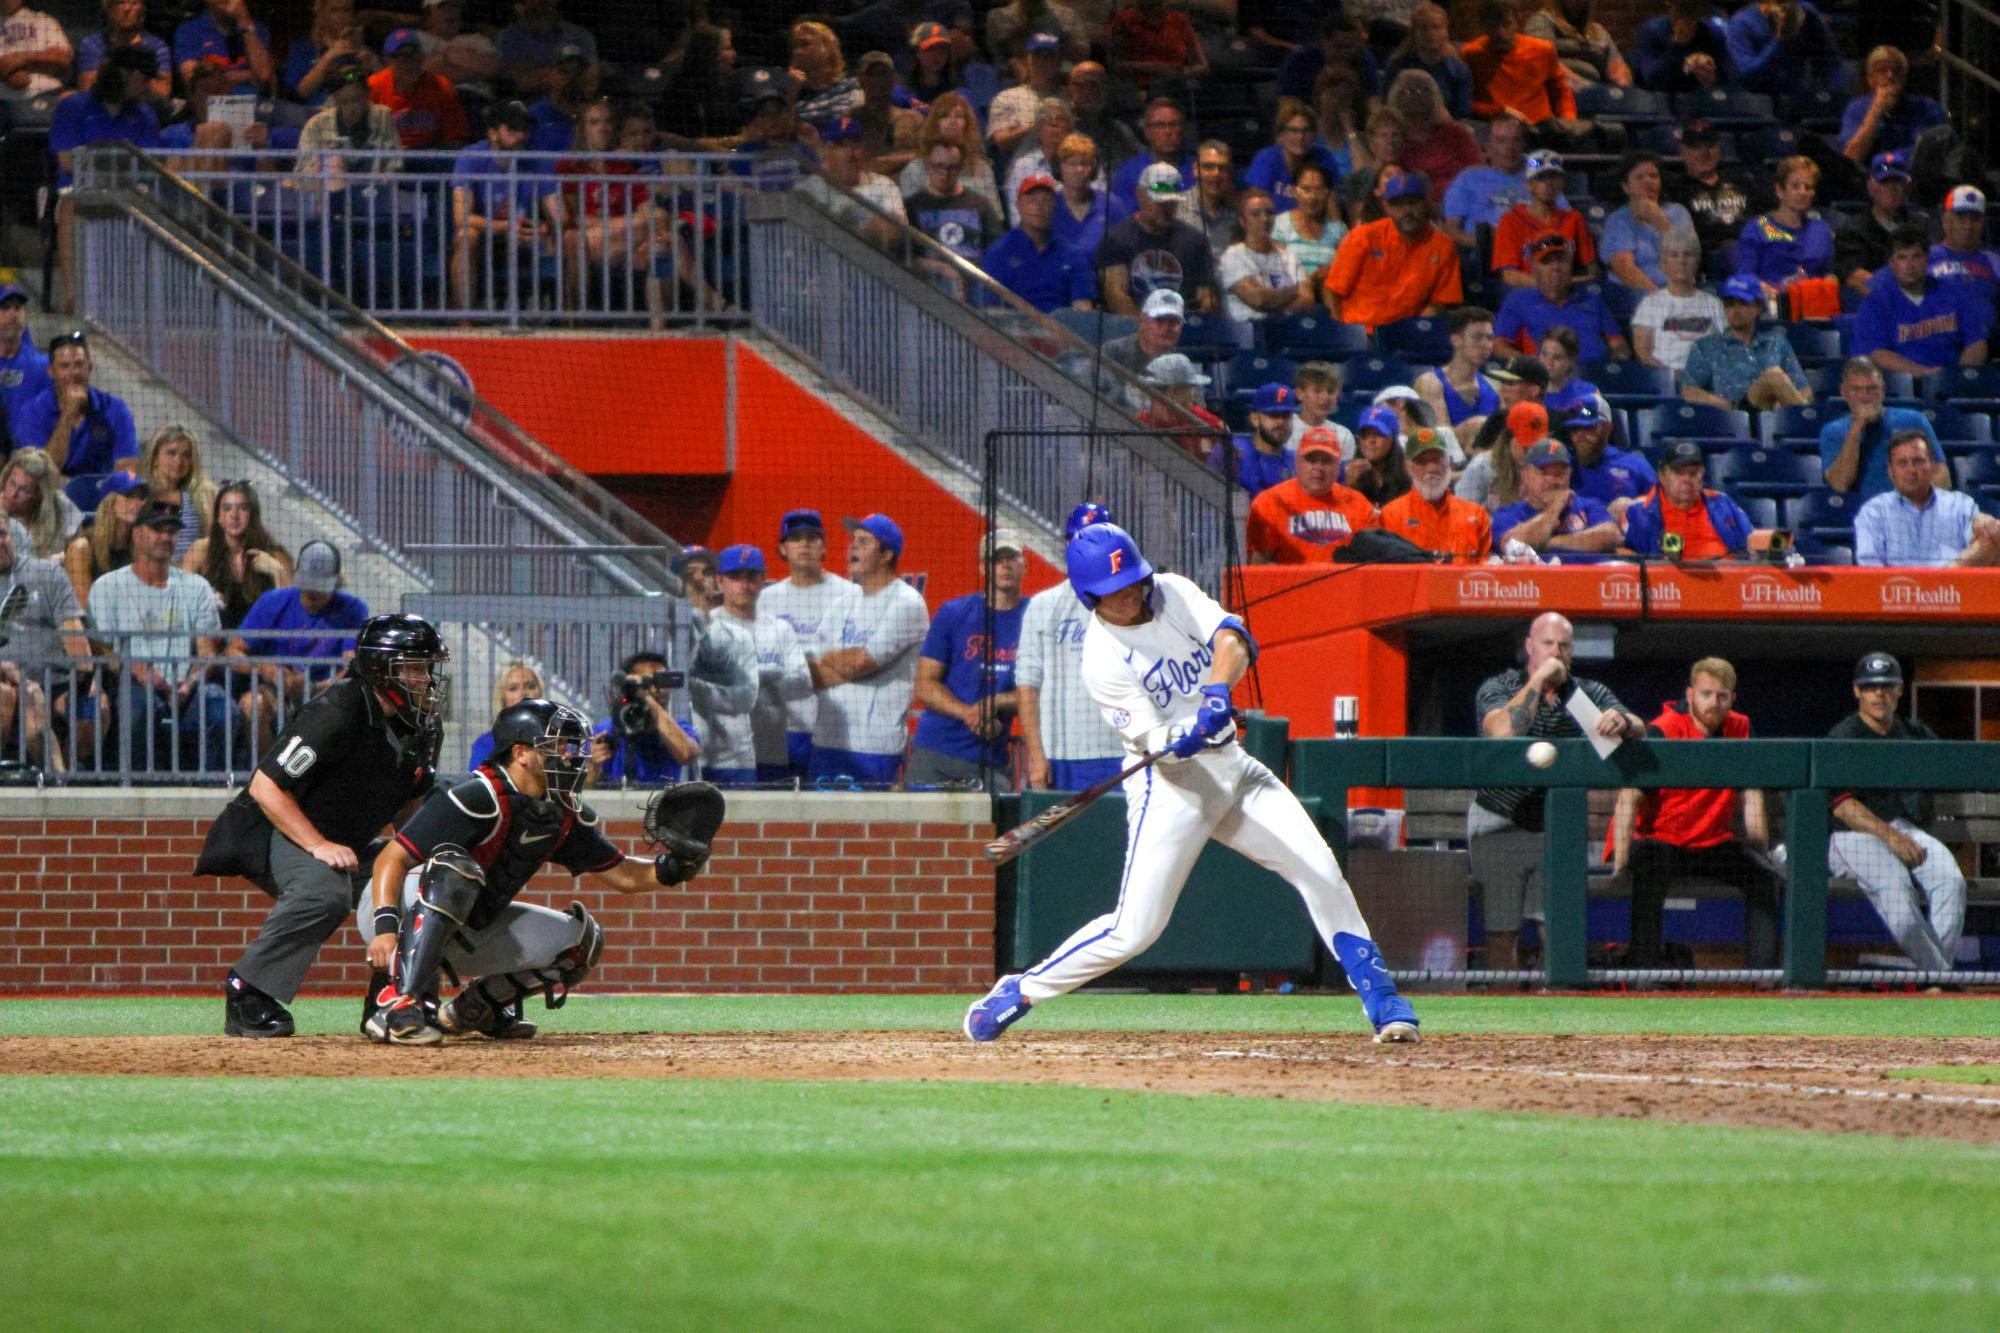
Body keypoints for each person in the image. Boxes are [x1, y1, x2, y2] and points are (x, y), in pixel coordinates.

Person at [964, 522, 1421, 1044]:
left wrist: (1214, 691)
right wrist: (1184, 731)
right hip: (1172, 788)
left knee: (1320, 872)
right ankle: (1019, 990)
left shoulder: (1173, 592)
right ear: (1091, 597)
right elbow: (1155, 742)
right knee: (1134, 931)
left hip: (1236, 770)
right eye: (1116, 592)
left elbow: (1233, 638)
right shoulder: (1101, 656)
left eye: (1135, 581)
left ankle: (1382, 998)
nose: (1132, 594)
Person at [360, 701, 719, 1045]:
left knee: (582, 941)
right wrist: (386, 931)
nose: (570, 756)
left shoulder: (557, 812)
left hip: (467, 923)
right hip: (396, 908)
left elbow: (624, 876)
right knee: (456, 869)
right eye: (557, 746)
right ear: (521, 754)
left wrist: (675, 868)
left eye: (571, 746)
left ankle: (473, 1010)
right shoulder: (477, 795)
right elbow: (389, 860)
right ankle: (396, 1004)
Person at [200, 613, 447, 1037]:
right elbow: (266, 786)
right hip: (271, 830)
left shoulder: (423, 726)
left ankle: (394, 997)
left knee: (428, 884)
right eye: (413, 667)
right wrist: (317, 845)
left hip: (340, 840)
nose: (425, 678)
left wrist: (419, 859)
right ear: (379, 669)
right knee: (325, 891)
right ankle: (249, 992)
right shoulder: (337, 710)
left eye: (427, 668)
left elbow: (409, 804)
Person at [1470, 611, 1643, 968]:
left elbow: (1639, 728)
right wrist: (1537, 683)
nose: (1556, 652)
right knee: (1502, 935)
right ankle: (1501, 1021)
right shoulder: (1502, 686)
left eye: (1564, 645)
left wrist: (1622, 722)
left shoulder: (1584, 696)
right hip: (1500, 824)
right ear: (1530, 647)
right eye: (1548, 643)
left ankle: (1554, 1019)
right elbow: (1502, 732)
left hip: (1558, 828)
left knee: (1559, 933)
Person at [1609, 657, 1781, 969]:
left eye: (1722, 696)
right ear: (1690, 695)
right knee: (1649, 867)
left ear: (1732, 698)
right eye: (1705, 694)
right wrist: (1620, 866)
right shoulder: (1662, 731)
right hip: (1661, 841)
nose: (1713, 702)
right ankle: (1645, 975)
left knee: (1764, 877)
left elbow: (1752, 795)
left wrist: (1761, 852)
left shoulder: (1741, 728)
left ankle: (1764, 976)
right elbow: (1628, 798)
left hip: (1712, 844)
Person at [1826, 652, 1965, 973]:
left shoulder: (1915, 734)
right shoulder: (1843, 736)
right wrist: (1891, 837)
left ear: (1900, 690)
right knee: (1898, 893)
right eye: (1871, 687)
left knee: (1951, 882)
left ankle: (1933, 979)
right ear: (1857, 691)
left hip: (1905, 831)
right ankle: (1943, 979)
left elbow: (1956, 770)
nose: (1879, 694)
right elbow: (1844, 806)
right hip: (1853, 838)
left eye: (1887, 686)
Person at [88, 496, 232, 769]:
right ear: (137, 533)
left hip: (185, 685)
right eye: (158, 530)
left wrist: (189, 683)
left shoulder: (196, 587)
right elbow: (102, 648)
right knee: (136, 709)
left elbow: (207, 651)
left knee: (221, 708)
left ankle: (212, 793)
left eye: (172, 531)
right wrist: (142, 672)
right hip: (132, 682)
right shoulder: (108, 586)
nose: (166, 537)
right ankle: (136, 793)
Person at [808, 513, 929, 785]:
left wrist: (833, 660)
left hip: (874, 746)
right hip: (826, 739)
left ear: (886, 554)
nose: (852, 548)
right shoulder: (843, 602)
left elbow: (862, 662)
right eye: (853, 541)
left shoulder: (907, 603)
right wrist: (842, 663)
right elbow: (812, 671)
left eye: (863, 542)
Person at [1017, 501, 1124, 791]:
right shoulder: (1043, 605)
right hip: (1059, 754)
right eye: (1078, 539)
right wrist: (1036, 755)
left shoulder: (1130, 604)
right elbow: (1027, 683)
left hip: (1121, 750)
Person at [907, 529, 1026, 790]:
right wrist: (970, 714)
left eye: (1012, 557)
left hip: (991, 757)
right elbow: (924, 684)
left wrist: (995, 702)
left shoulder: (1035, 617)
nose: (1005, 565)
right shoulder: (953, 613)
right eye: (996, 559)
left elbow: (1042, 691)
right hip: (936, 749)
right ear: (983, 568)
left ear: (1024, 564)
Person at [49, 45, 161, 309]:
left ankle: (137, 301)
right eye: (143, 79)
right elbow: (67, 162)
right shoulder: (72, 107)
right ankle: (72, 296)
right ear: (123, 75)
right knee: (69, 204)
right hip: (81, 192)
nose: (148, 87)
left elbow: (151, 164)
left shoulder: (145, 115)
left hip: (127, 194)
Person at [230, 539, 369, 747]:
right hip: (276, 689)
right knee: (253, 704)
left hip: (326, 691)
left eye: (320, 591)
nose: (313, 596)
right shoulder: (272, 601)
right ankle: (265, 773)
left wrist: (313, 687)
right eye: (308, 588)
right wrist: (264, 668)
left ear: (336, 581)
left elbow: (350, 666)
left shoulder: (353, 609)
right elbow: (233, 652)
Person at [758, 509, 852, 779]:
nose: (805, 544)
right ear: (782, 549)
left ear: (824, 547)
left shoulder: (849, 595)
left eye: (813, 538)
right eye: (796, 538)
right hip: (780, 727)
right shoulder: (766, 600)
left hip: (833, 727)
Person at [708, 544, 811, 785]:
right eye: (735, 577)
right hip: (721, 752)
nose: (745, 585)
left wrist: (752, 679)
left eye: (752, 577)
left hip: (771, 748)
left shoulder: (779, 628)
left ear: (763, 580)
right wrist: (769, 680)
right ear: (720, 581)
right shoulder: (706, 628)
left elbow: (803, 683)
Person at [0, 515, 91, 771]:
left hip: (58, 679)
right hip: (13, 682)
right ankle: (59, 782)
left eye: (2, 534)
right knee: (22, 700)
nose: (0, 542)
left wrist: (87, 679)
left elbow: (74, 634)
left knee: (97, 706)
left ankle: (79, 772)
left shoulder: (45, 573)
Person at [449, 101, 555, 310]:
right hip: (485, 237)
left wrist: (546, 228)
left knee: (564, 238)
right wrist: (506, 227)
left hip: (524, 238)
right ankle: (463, 322)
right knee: (466, 235)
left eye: (524, 130)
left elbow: (558, 215)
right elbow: (461, 217)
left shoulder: (537, 159)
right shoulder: (471, 158)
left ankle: (570, 324)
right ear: (493, 133)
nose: (522, 136)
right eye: (513, 130)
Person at [1323, 172, 1462, 330]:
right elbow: (1332, 290)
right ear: (1386, 206)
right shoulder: (1364, 237)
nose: (1407, 211)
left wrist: (1419, 326)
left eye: (1413, 203)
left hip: (1408, 334)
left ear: (1425, 203)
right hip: (1361, 332)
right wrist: (1341, 330)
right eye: (1399, 204)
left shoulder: (1443, 245)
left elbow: (1441, 301)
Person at [1854, 227, 1992, 377]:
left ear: (1927, 258)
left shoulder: (1954, 293)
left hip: (1953, 382)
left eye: (1916, 256)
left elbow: (1977, 343)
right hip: (1901, 387)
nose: (1910, 266)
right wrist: (1925, 374)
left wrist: (1960, 376)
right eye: (1902, 257)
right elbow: (1876, 353)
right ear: (1891, 263)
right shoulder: (1876, 302)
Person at [1854, 431, 2000, 568]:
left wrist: (1987, 525)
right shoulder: (1872, 512)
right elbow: (1870, 568)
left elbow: (1986, 546)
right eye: (1902, 463)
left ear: (1933, 467)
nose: (1911, 470)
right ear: (1891, 472)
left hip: (1955, 591)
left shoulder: (1960, 505)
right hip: (1896, 591)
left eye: (1918, 461)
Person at [1096, 161, 1217, 316]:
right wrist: (1149, 331)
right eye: (1160, 201)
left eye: (1171, 201)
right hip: (1131, 328)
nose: (1166, 208)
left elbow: (1205, 295)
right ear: (1140, 195)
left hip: (1181, 326)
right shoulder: (1116, 239)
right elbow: (1117, 297)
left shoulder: (1195, 241)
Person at [16, 332, 138, 483]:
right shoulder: (32, 412)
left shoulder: (115, 409)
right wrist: (68, 414)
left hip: (103, 496)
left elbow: (128, 468)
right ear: (51, 371)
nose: (73, 373)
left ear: (90, 367)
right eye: (65, 366)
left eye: (79, 364)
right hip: (50, 495)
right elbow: (42, 471)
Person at [1820, 357, 1946, 502]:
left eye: (1871, 389)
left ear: (1883, 390)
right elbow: (1840, 485)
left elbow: (1942, 476)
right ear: (1844, 392)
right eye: (1856, 390)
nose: (1865, 397)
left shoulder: (1914, 420)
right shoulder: (1832, 431)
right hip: (1860, 515)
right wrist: (1857, 427)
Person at [1680, 274, 1813, 411]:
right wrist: (1730, 408)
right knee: (1774, 376)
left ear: (1759, 307)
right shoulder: (1705, 346)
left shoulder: (1776, 342)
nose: (1735, 311)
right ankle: (1807, 421)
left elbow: (1805, 390)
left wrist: (1781, 407)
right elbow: (1690, 392)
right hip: (1731, 418)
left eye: (1743, 303)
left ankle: (1801, 421)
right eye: (1729, 305)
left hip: (1775, 419)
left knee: (1777, 379)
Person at [1245, 427, 1378, 563]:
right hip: (1291, 583)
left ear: (1338, 467)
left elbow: (1373, 564)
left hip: (1345, 583)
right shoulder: (1270, 502)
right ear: (1297, 463)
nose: (1318, 468)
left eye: (1326, 461)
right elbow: (1257, 567)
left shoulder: (1359, 505)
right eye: (1311, 460)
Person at [1495, 236, 1627, 362]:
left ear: (1570, 266)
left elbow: (1616, 340)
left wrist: (1619, 360)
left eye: (1561, 260)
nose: (1555, 267)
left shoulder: (1591, 297)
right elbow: (1498, 345)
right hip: (1547, 377)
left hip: (1596, 375)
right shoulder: (1519, 300)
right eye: (1547, 261)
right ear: (1534, 267)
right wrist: (1530, 364)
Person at [182, 480, 291, 631]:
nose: (234, 516)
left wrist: (277, 571)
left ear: (253, 515)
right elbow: (179, 600)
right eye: (227, 509)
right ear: (219, 517)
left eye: (242, 508)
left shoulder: (275, 556)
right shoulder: (201, 551)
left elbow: (291, 616)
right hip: (211, 640)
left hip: (258, 643)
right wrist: (204, 598)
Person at [1622, 439, 1757, 559]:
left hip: (1729, 581)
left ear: (1702, 474)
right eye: (1678, 473)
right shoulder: (1638, 512)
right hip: (1668, 585)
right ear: (1662, 476)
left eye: (1693, 473)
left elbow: (1753, 544)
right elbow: (1625, 561)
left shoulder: (1722, 503)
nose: (1686, 479)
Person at [1461, 0, 1579, 134]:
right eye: (1493, 26)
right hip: (1496, 130)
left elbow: (1561, 92)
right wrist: (1498, 111)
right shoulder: (1471, 53)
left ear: (1517, 22)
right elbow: (1464, 105)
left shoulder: (1542, 50)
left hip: (1540, 129)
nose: (1500, 32)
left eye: (1506, 24)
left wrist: (1568, 120)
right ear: (1483, 27)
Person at [982, 175, 1095, 314]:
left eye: (1046, 200)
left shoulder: (1072, 254)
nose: (1039, 207)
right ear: (1019, 205)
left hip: (1063, 330)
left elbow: (1083, 307)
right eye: (1032, 200)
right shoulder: (998, 252)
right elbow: (992, 309)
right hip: (1014, 330)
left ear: (1055, 207)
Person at [1491, 438, 1621, 558]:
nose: (1552, 480)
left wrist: (1549, 543)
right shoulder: (1509, 513)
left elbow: (1611, 535)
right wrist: (1553, 509)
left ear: (1569, 475)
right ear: (1525, 475)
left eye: (1559, 474)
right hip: (1532, 581)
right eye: (1543, 473)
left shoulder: (1589, 505)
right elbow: (1510, 545)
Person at [1734, 156, 1835, 307]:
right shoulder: (1758, 228)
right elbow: (1745, 277)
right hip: (1771, 306)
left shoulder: (1820, 229)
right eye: (1795, 186)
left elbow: (1829, 274)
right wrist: (1771, 294)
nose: (1802, 192)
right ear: (1780, 191)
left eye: (1808, 187)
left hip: (1813, 307)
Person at [590, 647, 700, 786]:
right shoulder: (608, 729)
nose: (656, 689)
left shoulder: (678, 729)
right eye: (647, 682)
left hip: (662, 803)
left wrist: (646, 697)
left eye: (660, 681)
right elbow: (583, 786)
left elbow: (687, 754)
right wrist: (592, 766)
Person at [1216, 188, 1314, 341]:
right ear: (1242, 221)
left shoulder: (1290, 257)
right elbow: (1257, 299)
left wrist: (1268, 299)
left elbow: (1307, 299)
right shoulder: (1233, 256)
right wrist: (1293, 291)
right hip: (1246, 335)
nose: (1264, 219)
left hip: (1285, 332)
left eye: (1269, 213)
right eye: (1256, 214)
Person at [1380, 429, 1493, 559]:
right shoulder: (1391, 517)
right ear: (1408, 467)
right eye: (1422, 462)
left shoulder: (1476, 515)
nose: (1432, 468)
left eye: (1438, 459)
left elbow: (1488, 571)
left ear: (1448, 462)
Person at [1492, 151, 1594, 288]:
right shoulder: (1510, 220)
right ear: (1529, 185)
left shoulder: (1574, 218)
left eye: (1554, 177)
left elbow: (1591, 268)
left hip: (1568, 294)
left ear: (1562, 183)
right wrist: (1555, 285)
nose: (1548, 183)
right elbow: (1510, 276)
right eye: (1541, 178)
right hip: (1527, 294)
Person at [1671, 118, 1765, 260]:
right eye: (1696, 147)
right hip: (1709, 258)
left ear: (1720, 150)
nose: (1705, 153)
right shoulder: (1676, 189)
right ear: (1683, 152)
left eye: (1710, 146)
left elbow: (1767, 216)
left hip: (1753, 247)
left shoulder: (1741, 181)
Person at [906, 140, 1006, 270]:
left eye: (952, 167)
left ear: (961, 167)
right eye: (938, 166)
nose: (945, 173)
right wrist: (942, 269)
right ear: (928, 165)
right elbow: (907, 258)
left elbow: (997, 250)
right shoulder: (912, 206)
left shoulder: (980, 204)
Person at [1836, 153, 1927, 296]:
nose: (1893, 189)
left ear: (1906, 187)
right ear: (1871, 187)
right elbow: (1855, 276)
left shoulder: (1920, 226)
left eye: (1898, 182)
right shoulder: (1852, 231)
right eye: (1885, 182)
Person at [1632, 230, 1723, 373]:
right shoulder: (1649, 304)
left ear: (1697, 262)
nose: (1682, 261)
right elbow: (1644, 354)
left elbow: (1728, 347)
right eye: (1674, 255)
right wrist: (1673, 376)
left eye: (1688, 255)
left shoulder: (1714, 304)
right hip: (1665, 382)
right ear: (1663, 263)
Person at [1603, 152, 1694, 294]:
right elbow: (1625, 269)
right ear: (1626, 187)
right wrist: (1659, 299)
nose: (1648, 181)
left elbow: (1688, 258)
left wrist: (1660, 221)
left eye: (1653, 176)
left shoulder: (1678, 212)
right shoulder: (1618, 220)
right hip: (1636, 294)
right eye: (1639, 177)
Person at [1388, 68, 1481, 207]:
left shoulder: (1455, 133)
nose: (1415, 96)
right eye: (1407, 92)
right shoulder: (1394, 137)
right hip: (1413, 207)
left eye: (1423, 90)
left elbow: (1478, 171)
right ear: (1396, 98)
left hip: (1461, 203)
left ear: (1435, 97)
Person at [369, 25, 471, 152]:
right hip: (389, 157)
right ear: (387, 60)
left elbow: (455, 139)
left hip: (429, 156)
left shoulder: (441, 86)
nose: (410, 63)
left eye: (414, 55)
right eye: (402, 57)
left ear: (422, 56)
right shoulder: (374, 86)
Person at [295, 64, 402, 182]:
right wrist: (324, 166)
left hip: (374, 193)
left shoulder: (383, 116)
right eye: (344, 102)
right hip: (330, 194)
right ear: (335, 100)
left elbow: (395, 163)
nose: (352, 108)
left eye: (357, 100)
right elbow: (303, 170)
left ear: (367, 94)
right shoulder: (316, 125)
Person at [1840, 44, 1945, 165]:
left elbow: (1943, 152)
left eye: (1897, 70)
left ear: (1904, 78)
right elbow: (1851, 159)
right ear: (1870, 79)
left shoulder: (1927, 107)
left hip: (1914, 177)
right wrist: (1876, 111)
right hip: (1871, 179)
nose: (1890, 75)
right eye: (1882, 70)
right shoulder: (1856, 109)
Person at [1441, 116, 1536, 244]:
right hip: (1481, 252)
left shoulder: (1538, 178)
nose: (1510, 147)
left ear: (1523, 145)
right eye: (1501, 141)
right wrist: (1489, 245)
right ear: (1487, 146)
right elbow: (1451, 231)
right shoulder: (1468, 179)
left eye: (1516, 140)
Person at [1002, 99, 1097, 227]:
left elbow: (1099, 200)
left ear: (1070, 127)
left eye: (1060, 118)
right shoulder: (1023, 166)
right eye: (1046, 118)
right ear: (1037, 129)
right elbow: (1016, 218)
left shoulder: (1087, 159)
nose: (1054, 123)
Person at [1245, 98, 1343, 218]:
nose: (1300, 137)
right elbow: (1256, 207)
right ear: (1281, 134)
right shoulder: (1266, 159)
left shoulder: (1324, 158)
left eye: (1306, 131)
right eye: (1293, 130)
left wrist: (1338, 232)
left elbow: (1332, 207)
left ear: (1314, 135)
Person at [1725, 0, 1845, 97]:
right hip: (1755, 99)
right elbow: (1748, 75)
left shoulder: (1806, 12)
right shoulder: (1741, 23)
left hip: (1797, 96)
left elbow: (1831, 61)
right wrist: (1780, 39)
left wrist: (1837, 96)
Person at [134, 425, 216, 564]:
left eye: (186, 455)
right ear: (155, 458)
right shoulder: (139, 494)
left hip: (192, 575)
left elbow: (214, 541)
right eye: (171, 453)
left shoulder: (200, 495)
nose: (179, 461)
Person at [1416, 306, 1500, 438]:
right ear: (1456, 340)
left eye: (1489, 338)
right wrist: (1475, 427)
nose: (1485, 344)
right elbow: (1439, 435)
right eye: (1477, 337)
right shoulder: (1430, 382)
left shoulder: (1495, 385)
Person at [1107, 96, 1196, 221]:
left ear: (1184, 128)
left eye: (1174, 124)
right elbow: (1125, 221)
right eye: (1160, 125)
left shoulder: (1198, 168)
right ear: (1147, 131)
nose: (1168, 132)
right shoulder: (1128, 173)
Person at [64, 472, 142, 610]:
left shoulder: (143, 548)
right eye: (129, 496)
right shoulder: (81, 549)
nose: (138, 503)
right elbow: (86, 609)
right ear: (109, 501)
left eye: (141, 497)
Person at [1562, 400, 1653, 519]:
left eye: (1589, 427)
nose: (1581, 435)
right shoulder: (1562, 467)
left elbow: (1661, 502)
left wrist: (1635, 505)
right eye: (1575, 429)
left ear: (1607, 428)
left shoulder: (1635, 465)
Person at [1385, 3, 1474, 120]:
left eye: (1436, 27)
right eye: (1423, 28)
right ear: (1414, 34)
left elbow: (1463, 112)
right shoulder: (1398, 66)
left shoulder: (1458, 70)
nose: (1430, 34)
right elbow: (1388, 106)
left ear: (1445, 32)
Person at [986, 32, 1066, 162]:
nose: (1042, 62)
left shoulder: (1069, 98)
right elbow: (1001, 142)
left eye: (1049, 57)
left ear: (1059, 63)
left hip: (1066, 170)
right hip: (1022, 173)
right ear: (1027, 60)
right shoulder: (1007, 97)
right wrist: (1036, 127)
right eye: (1037, 56)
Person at [285, 0, 378, 107]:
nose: (341, 16)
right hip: (319, 112)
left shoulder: (358, 46)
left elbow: (385, 85)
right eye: (334, 10)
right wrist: (329, 56)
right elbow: (300, 92)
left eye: (346, 10)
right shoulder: (302, 48)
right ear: (321, 14)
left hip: (359, 106)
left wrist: (366, 57)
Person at [1213, 381, 1297, 497]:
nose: (1281, 422)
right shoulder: (1231, 451)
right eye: (1273, 415)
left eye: (1286, 416)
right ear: (1254, 419)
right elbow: (1210, 496)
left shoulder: (1296, 462)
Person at [1106, 0, 1207, 94]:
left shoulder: (1179, 20)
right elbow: (1114, 64)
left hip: (1178, 87)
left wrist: (1178, 72)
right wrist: (1152, 67)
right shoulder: (1124, 20)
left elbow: (1203, 66)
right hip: (1139, 89)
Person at [498, 0, 596, 97]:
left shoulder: (579, 35)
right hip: (528, 102)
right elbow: (520, 80)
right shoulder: (510, 36)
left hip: (575, 101)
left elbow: (591, 79)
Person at [78, 0, 173, 99]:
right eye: (120, 3)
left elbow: (163, 93)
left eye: (134, 3)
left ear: (142, 8)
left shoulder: (157, 46)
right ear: (109, 9)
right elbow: (87, 90)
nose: (127, 9)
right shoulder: (92, 44)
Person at [1928, 186, 2000, 316]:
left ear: (1983, 223)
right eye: (1961, 218)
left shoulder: (1994, 262)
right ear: (1946, 220)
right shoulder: (1925, 258)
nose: (1968, 226)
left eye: (1974, 219)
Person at [1525, 0, 1631, 88]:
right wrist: (1584, 85)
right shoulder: (1542, 22)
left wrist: (1622, 80)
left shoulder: (1598, 31)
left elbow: (1618, 69)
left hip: (1598, 96)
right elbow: (1545, 63)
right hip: (1561, 94)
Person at [1271, 161, 1344, 288]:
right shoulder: (1280, 224)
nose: (1312, 197)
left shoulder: (1338, 229)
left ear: (1327, 193)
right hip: (1293, 296)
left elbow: (1349, 268)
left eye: (1319, 190)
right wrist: (1307, 280)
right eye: (1306, 189)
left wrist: (1331, 274)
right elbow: (1274, 269)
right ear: (1294, 191)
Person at [172, 0, 270, 93]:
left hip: (253, 105)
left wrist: (245, 24)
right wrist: (247, 75)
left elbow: (263, 75)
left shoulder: (256, 30)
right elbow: (191, 79)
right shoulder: (189, 30)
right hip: (210, 105)